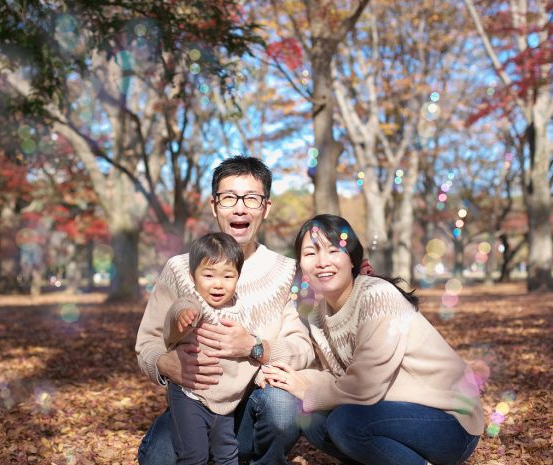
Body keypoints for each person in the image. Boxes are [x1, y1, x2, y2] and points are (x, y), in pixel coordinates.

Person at [261, 214, 485, 465]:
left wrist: (307, 391)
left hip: (449, 420)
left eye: (334, 250)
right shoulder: (318, 315)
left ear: (352, 260)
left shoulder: (376, 296)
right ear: (301, 265)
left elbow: (363, 384)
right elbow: (336, 376)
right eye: (311, 254)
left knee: (345, 422)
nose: (322, 262)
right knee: (314, 420)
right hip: (392, 412)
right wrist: (288, 379)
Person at [135, 156, 316, 465]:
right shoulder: (180, 269)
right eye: (229, 197)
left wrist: (255, 347)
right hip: (195, 402)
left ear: (266, 208)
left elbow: (304, 349)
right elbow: (146, 346)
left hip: (253, 409)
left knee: (283, 409)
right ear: (214, 205)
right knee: (158, 458)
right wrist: (166, 364)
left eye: (252, 199)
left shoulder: (285, 272)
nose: (240, 208)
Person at [164, 232, 255, 465]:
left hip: (224, 400)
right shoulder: (195, 302)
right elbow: (180, 307)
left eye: (227, 276)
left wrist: (262, 371)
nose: (218, 284)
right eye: (208, 275)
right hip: (190, 395)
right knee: (194, 455)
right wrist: (182, 316)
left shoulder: (241, 309)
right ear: (193, 277)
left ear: (238, 277)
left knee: (227, 453)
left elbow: (249, 348)